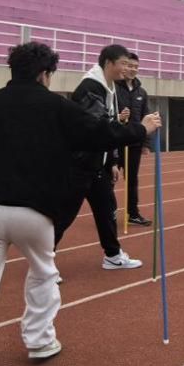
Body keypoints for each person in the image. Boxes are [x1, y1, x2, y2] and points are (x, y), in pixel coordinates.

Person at [0, 41, 160, 366]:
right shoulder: (57, 107)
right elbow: (101, 134)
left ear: (13, 71)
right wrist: (141, 128)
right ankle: (40, 340)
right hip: (37, 212)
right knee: (44, 272)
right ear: (46, 74)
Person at [62, 44, 144, 269]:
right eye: (123, 64)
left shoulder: (109, 87)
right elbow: (100, 130)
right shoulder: (90, 88)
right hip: (79, 164)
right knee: (64, 215)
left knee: (107, 210)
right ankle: (43, 263)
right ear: (109, 63)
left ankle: (113, 255)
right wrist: (141, 129)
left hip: (98, 164)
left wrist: (113, 161)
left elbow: (109, 124)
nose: (126, 68)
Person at [115, 51, 153, 227]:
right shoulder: (113, 89)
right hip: (116, 142)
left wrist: (145, 143)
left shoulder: (141, 92)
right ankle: (108, 212)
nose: (133, 69)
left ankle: (133, 213)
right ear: (123, 66)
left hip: (135, 143)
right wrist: (119, 116)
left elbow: (146, 117)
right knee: (110, 178)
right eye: (130, 65)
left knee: (132, 179)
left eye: (136, 67)